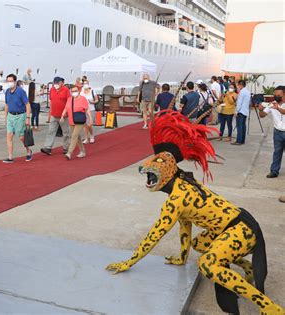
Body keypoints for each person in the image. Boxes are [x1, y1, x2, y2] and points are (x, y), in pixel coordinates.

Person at [106, 110, 284, 315]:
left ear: (169, 170)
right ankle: (249, 268)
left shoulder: (176, 198)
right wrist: (182, 256)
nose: (148, 169)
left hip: (240, 229)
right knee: (199, 244)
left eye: (158, 165)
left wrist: (129, 262)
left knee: (207, 264)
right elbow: (185, 223)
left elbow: (154, 235)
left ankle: (270, 308)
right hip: (238, 224)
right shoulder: (182, 184)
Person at [4, 74, 32, 163]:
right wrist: (5, 116)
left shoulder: (21, 92)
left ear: (15, 82)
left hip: (20, 116)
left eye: (11, 81)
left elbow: (27, 105)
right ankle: (10, 157)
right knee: (9, 136)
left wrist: (28, 117)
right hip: (10, 116)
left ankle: (28, 151)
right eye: (8, 81)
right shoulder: (7, 92)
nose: (9, 83)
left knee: (21, 137)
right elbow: (6, 104)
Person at [258, 86, 285, 178]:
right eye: (275, 95)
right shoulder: (272, 104)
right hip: (277, 132)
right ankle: (274, 171)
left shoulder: (276, 106)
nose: (276, 97)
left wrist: (277, 108)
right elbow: (262, 115)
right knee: (277, 151)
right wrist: (260, 109)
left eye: (279, 95)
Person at [41, 77, 71, 155]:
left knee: (66, 132)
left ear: (61, 83)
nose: (56, 85)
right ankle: (48, 147)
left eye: (57, 83)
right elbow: (51, 101)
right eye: (55, 83)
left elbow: (69, 102)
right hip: (54, 115)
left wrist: (65, 113)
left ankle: (66, 148)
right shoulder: (52, 90)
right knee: (51, 131)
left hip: (64, 115)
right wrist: (50, 113)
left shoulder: (66, 90)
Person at [61, 86, 92, 160]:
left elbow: (87, 110)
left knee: (74, 135)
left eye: (75, 90)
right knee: (77, 137)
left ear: (78, 91)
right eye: (72, 91)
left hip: (80, 120)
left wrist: (90, 119)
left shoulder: (83, 99)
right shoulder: (69, 99)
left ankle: (69, 153)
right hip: (72, 120)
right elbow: (66, 108)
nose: (74, 92)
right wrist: (62, 116)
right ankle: (83, 151)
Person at [232, 80, 250, 145]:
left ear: (241, 85)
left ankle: (239, 141)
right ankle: (242, 140)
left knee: (239, 126)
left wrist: (236, 111)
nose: (237, 87)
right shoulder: (247, 91)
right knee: (243, 126)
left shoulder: (242, 92)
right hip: (245, 111)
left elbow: (239, 103)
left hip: (241, 111)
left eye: (238, 85)